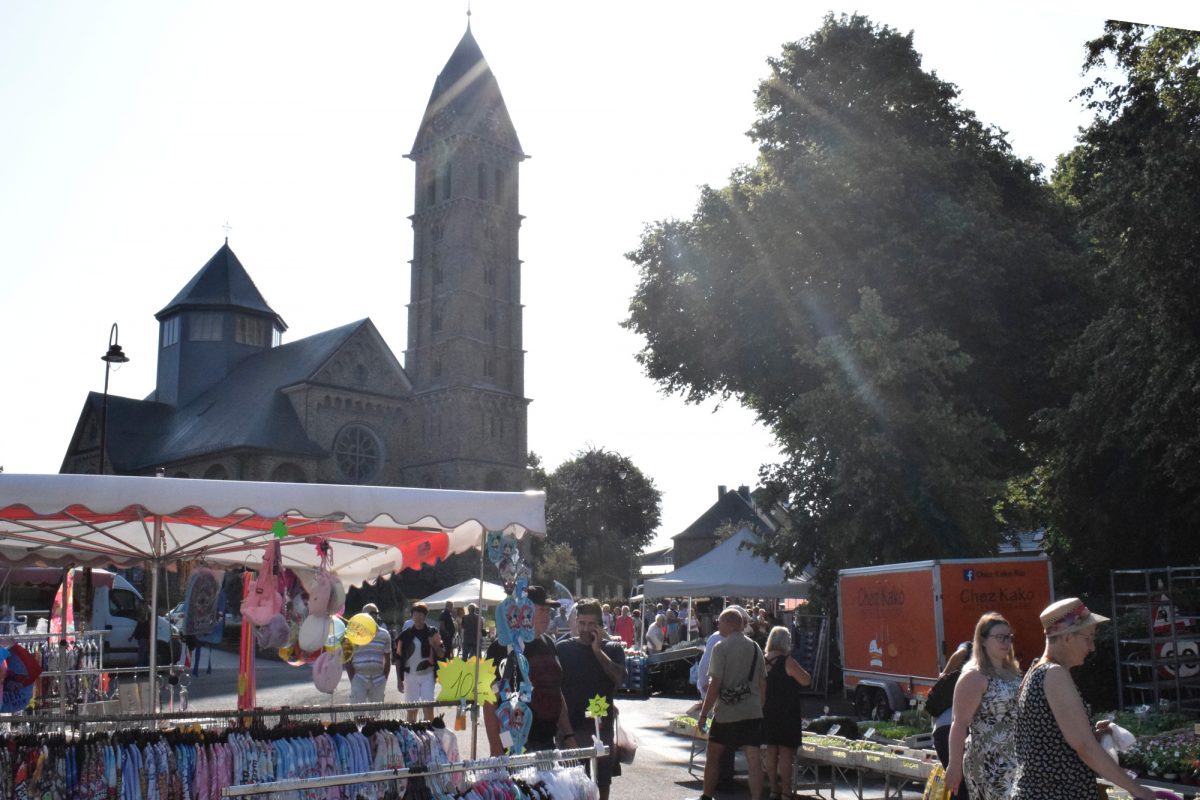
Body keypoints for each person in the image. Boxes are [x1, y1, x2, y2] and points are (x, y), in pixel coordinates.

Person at [1009, 598, 1155, 800]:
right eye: (1089, 638)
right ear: (1067, 637)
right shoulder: (1055, 674)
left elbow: (1054, 743)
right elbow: (1084, 747)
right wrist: (1137, 790)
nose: (1092, 647)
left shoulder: (1036, 671)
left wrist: (1093, 735)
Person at [484, 586, 576, 754]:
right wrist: (495, 746)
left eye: (549, 611)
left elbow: (556, 691)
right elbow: (489, 699)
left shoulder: (549, 644)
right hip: (515, 743)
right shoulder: (503, 647)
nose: (547, 615)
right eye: (542, 609)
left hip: (548, 741)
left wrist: (568, 734)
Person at [945, 613, 1021, 800]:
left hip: (1015, 758)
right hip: (988, 761)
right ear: (983, 640)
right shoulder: (974, 676)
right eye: (1000, 637)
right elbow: (959, 723)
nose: (1006, 642)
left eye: (1009, 637)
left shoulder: (1013, 672)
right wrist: (954, 765)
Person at [557, 599, 627, 800]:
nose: (586, 629)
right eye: (582, 623)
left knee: (601, 783)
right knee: (569, 786)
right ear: (576, 622)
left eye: (591, 624)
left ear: (600, 626)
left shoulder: (612, 648)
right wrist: (565, 731)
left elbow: (619, 678)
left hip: (600, 729)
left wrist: (597, 651)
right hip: (570, 729)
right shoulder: (562, 649)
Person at [696, 607, 766, 800]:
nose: (718, 627)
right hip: (751, 712)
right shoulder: (755, 647)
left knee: (713, 756)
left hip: (727, 712)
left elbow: (715, 684)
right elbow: (762, 682)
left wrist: (704, 714)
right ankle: (757, 798)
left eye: (720, 623)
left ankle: (707, 795)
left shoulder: (721, 648)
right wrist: (759, 708)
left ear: (729, 624)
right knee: (754, 760)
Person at [762, 625, 811, 800]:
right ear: (785, 642)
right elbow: (805, 680)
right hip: (786, 711)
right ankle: (786, 792)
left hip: (767, 710)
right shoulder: (787, 661)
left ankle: (774, 789)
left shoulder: (763, 660)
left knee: (771, 751)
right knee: (786, 753)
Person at [932, 641, 973, 800]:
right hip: (954, 729)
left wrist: (943, 676)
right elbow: (960, 653)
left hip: (941, 728)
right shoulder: (971, 649)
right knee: (964, 787)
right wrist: (944, 675)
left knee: (960, 788)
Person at [395, 602, 444, 721]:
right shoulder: (405, 635)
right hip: (410, 675)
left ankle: (431, 734)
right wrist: (398, 679)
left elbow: (442, 653)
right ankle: (412, 735)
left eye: (421, 614)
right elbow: (398, 658)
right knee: (411, 709)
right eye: (415, 614)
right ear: (412, 616)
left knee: (428, 707)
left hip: (428, 675)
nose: (418, 617)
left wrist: (433, 644)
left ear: (425, 616)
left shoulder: (433, 632)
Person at [347, 602, 392, 704]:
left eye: (374, 613)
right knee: (358, 712)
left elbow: (388, 658)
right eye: (368, 613)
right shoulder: (353, 633)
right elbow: (347, 658)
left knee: (375, 715)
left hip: (378, 679)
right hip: (359, 677)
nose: (372, 615)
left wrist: (385, 677)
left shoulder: (384, 635)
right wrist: (353, 678)